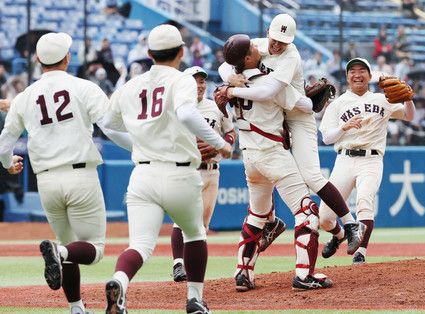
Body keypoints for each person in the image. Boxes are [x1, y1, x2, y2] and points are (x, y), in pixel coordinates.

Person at [101, 24, 232, 314]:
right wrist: (220, 143)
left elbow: (106, 125)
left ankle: (119, 282)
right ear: (182, 52)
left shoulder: (130, 85)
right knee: (196, 234)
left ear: (149, 53)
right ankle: (194, 299)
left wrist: (134, 144)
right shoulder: (181, 80)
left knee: (140, 246)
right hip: (180, 172)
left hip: (143, 174)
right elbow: (186, 113)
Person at [0, 32, 131, 314]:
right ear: (68, 58)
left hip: (46, 180)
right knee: (92, 251)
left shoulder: (24, 96)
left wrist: (8, 163)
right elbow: (109, 128)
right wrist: (140, 149)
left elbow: (3, 144)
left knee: (69, 248)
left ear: (37, 60)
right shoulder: (84, 87)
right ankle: (58, 253)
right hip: (80, 175)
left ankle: (76, 308)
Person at [218, 13, 366, 255]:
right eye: (275, 39)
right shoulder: (258, 46)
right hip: (278, 116)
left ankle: (350, 224)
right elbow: (226, 62)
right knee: (267, 171)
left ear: (291, 41)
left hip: (297, 117)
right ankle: (279, 224)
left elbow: (269, 92)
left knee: (311, 177)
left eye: (283, 41)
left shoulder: (291, 56)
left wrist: (233, 89)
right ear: (267, 32)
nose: (277, 45)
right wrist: (230, 75)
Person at [221, 34, 332, 291]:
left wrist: (229, 85)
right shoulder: (267, 82)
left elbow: (228, 72)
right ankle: (305, 276)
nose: (256, 46)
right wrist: (310, 100)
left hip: (249, 156)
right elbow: (304, 104)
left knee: (257, 215)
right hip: (271, 153)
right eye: (251, 47)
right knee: (307, 213)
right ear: (247, 58)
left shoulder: (230, 82)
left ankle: (243, 273)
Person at [319, 58, 415, 264]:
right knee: (325, 218)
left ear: (370, 77)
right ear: (347, 77)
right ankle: (339, 235)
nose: (357, 74)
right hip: (344, 160)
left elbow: (409, 116)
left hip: (371, 159)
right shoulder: (338, 104)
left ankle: (360, 251)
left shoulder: (382, 100)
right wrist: (343, 127)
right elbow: (326, 138)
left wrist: (408, 98)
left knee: (364, 202)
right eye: (352, 71)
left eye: (362, 70)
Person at [171, 66, 236, 282]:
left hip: (212, 171)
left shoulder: (215, 107)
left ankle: (192, 268)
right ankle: (178, 265)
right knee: (181, 220)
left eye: (201, 81)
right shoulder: (177, 107)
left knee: (203, 226)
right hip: (186, 169)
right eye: (194, 81)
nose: (199, 85)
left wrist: (220, 146)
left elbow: (231, 133)